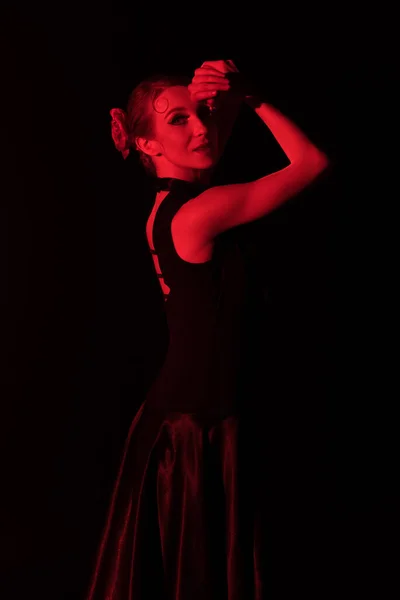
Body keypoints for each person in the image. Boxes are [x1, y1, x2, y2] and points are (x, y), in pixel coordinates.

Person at [86, 59, 329, 600]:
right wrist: (252, 96)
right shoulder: (200, 213)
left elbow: (209, 148)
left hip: (190, 420)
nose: (200, 128)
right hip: (195, 434)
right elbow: (310, 162)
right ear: (147, 146)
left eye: (203, 115)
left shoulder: (174, 203)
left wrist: (228, 98)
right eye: (177, 122)